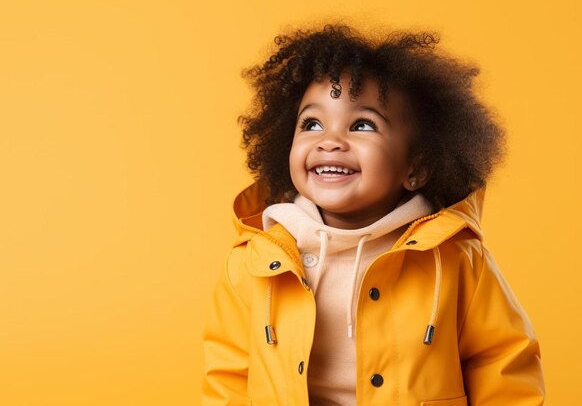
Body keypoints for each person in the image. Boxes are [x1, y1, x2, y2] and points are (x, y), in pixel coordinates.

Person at [203, 24, 545, 406]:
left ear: (415, 168)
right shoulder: (253, 261)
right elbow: (230, 375)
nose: (330, 140)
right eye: (312, 124)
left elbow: (502, 362)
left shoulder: (456, 260)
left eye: (362, 125)